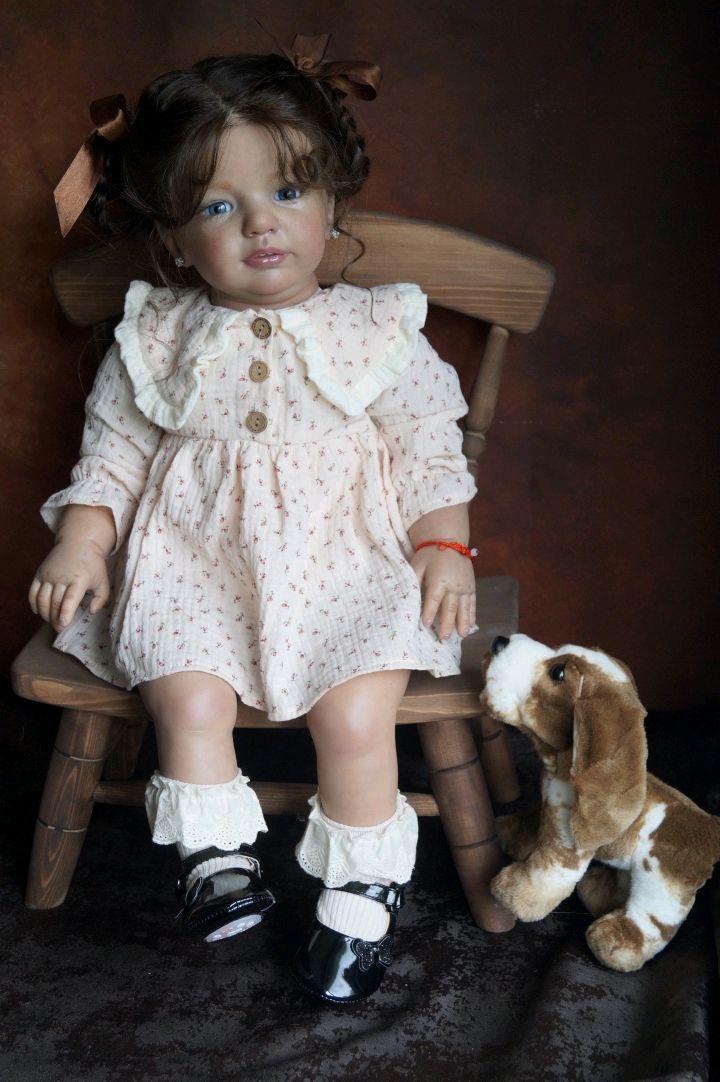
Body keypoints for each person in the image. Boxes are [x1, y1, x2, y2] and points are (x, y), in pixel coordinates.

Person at [29, 35, 479, 1004]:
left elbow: (429, 449)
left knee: (355, 718)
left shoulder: (376, 329)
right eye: (217, 206)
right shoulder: (156, 333)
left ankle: (359, 895)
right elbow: (112, 453)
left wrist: (444, 544)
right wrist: (83, 537)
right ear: (172, 233)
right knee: (186, 701)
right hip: (193, 566)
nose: (260, 223)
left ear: (333, 203)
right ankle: (215, 859)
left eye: (287, 191)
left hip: (345, 561)